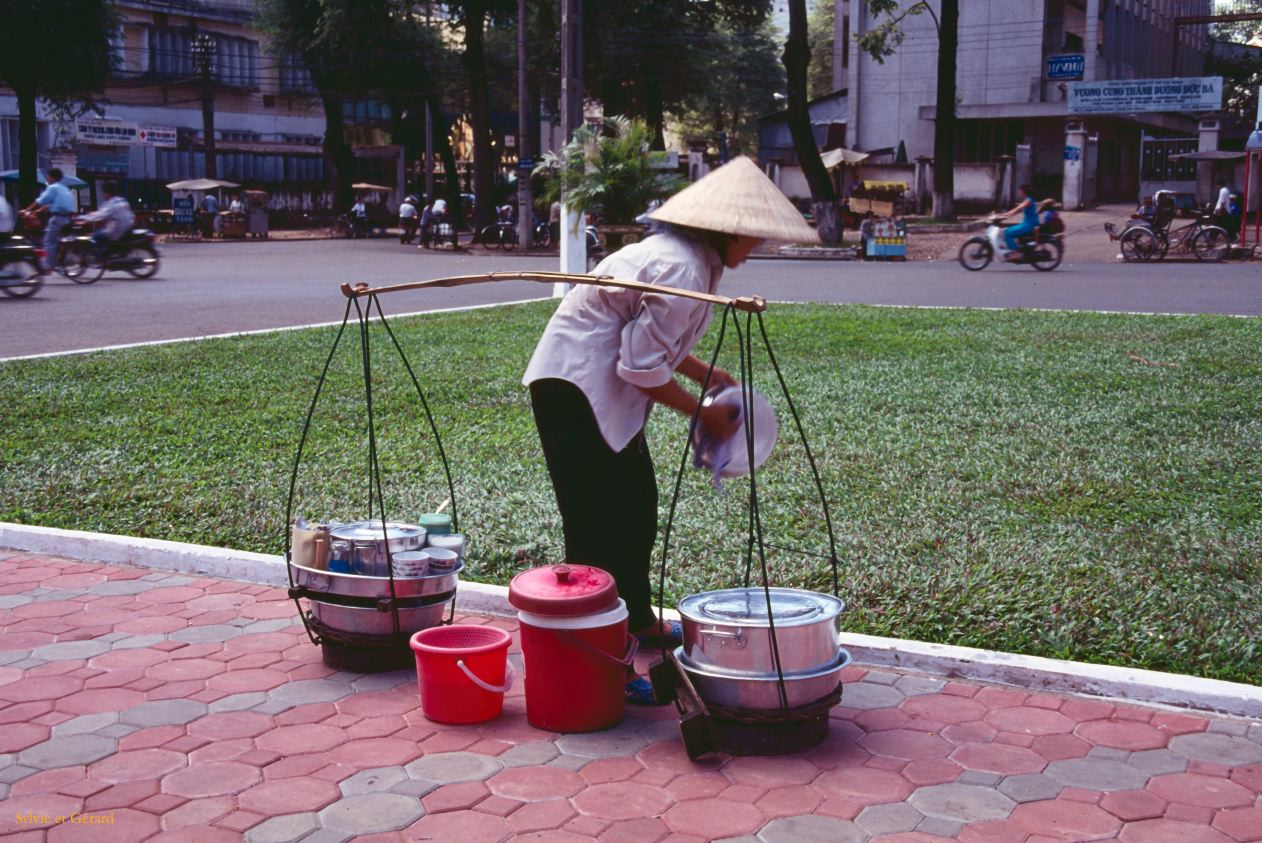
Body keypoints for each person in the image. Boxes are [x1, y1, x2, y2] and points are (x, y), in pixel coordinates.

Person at [522, 156, 819, 705]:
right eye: (752, 238)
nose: (755, 249)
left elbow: (653, 342)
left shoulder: (689, 261)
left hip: (601, 392)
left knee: (637, 508)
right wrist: (704, 412)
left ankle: (639, 619)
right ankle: (606, 661)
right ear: (728, 231)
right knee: (597, 528)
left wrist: (708, 374)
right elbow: (637, 367)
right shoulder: (679, 266)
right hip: (576, 389)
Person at [23, 168, 76, 273]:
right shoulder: (64, 188)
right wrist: (37, 212)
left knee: (48, 241)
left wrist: (26, 210)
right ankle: (60, 262)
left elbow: (40, 200)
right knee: (59, 241)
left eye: (48, 176)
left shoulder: (52, 188)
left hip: (57, 219)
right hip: (67, 219)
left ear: (52, 177)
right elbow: (50, 204)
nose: (47, 178)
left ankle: (49, 265)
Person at [81, 180, 134, 256]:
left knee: (95, 236)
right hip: (128, 228)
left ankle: (101, 259)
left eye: (103, 192)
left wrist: (84, 218)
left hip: (116, 230)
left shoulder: (111, 204)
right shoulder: (122, 200)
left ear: (107, 193)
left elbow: (100, 215)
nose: (103, 195)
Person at [997, 184, 1039, 259]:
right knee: (1007, 231)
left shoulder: (1028, 200)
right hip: (1026, 223)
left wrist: (1008, 213)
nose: (1019, 192)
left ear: (1023, 191)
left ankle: (1016, 253)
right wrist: (1005, 215)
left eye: (1020, 191)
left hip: (1029, 224)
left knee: (1007, 233)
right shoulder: (1027, 199)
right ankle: (1017, 249)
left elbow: (1018, 208)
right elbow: (1018, 211)